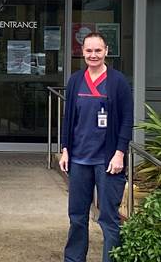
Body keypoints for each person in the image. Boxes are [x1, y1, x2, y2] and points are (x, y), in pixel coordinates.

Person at [59, 32, 133, 262]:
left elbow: (127, 120)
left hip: (108, 161)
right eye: (89, 51)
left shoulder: (118, 81)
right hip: (79, 159)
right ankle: (73, 259)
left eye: (98, 50)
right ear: (82, 52)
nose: (93, 55)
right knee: (77, 217)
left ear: (106, 51)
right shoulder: (75, 81)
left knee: (109, 219)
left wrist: (120, 153)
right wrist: (65, 149)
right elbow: (68, 117)